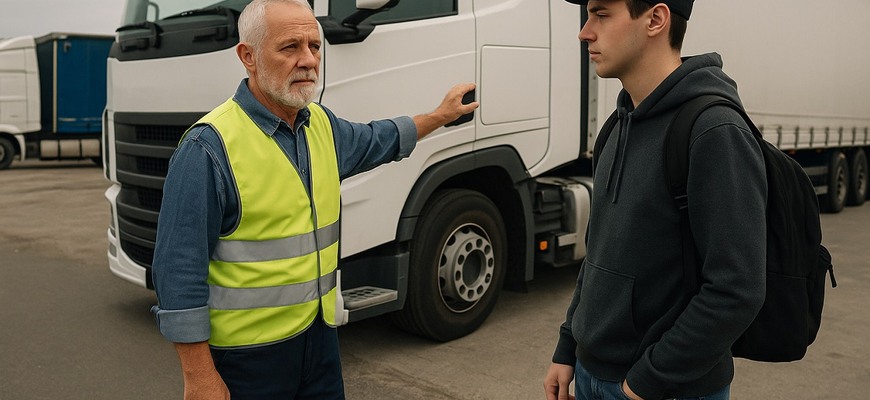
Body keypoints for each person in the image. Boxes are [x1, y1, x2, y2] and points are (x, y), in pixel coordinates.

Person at [149, 0, 478, 398]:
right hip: (247, 359)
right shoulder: (207, 148)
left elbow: (382, 138)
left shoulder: (320, 125)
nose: (308, 60)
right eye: (290, 47)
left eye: (315, 46)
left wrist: (440, 116)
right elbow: (178, 272)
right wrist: (199, 376)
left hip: (319, 341)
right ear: (248, 56)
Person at [544, 1, 767, 399]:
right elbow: (600, 255)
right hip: (590, 373)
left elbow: (737, 287)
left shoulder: (713, 130)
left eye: (601, 14)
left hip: (665, 388)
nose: (584, 32)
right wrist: (568, 346)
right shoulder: (616, 125)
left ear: (656, 19)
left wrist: (646, 382)